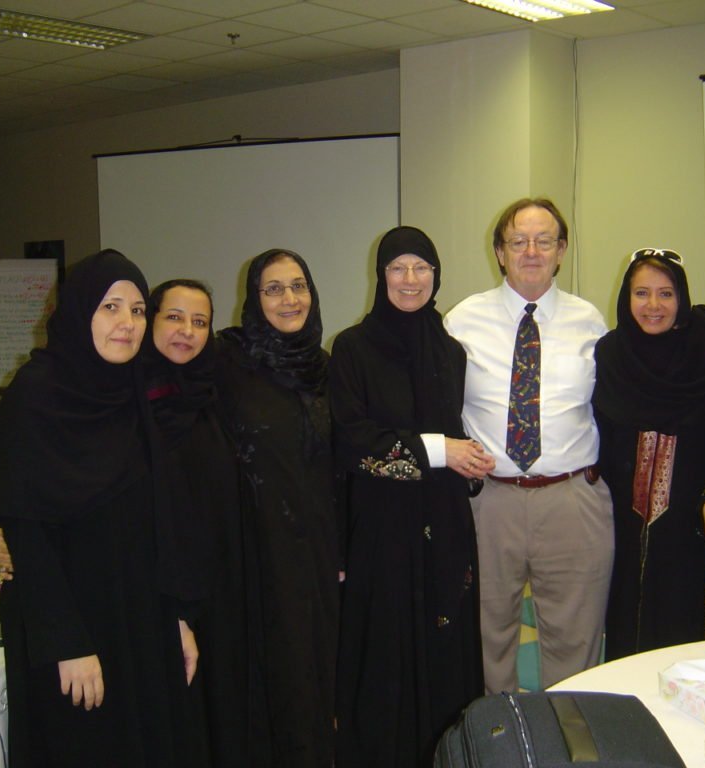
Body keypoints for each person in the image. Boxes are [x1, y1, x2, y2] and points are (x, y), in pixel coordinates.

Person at [0, 249, 202, 766]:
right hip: (70, 626)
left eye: (136, 310)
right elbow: (26, 529)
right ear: (80, 312)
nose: (127, 324)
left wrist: (175, 617)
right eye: (111, 308)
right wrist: (67, 643)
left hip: (138, 614)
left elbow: (156, 518)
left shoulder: (131, 394)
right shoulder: (35, 395)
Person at [331, 226, 489, 766]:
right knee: (388, 650)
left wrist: (471, 459)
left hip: (444, 524)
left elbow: (450, 428)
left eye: (421, 267)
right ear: (380, 276)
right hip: (384, 528)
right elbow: (354, 440)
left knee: (445, 644)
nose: (410, 279)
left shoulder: (449, 350)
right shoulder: (352, 348)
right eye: (397, 267)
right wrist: (443, 451)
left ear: (436, 275)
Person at [444, 198, 614, 693]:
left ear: (562, 250)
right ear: (499, 252)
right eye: (519, 241)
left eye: (544, 240)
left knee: (576, 641)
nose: (532, 251)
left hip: (571, 499)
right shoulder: (461, 321)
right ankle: (494, 743)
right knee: (483, 636)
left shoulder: (591, 322)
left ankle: (566, 745)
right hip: (487, 500)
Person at [216, 250, 339, 767]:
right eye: (273, 289)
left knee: (313, 673)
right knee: (266, 672)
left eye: (298, 286)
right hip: (252, 546)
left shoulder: (325, 367)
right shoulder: (226, 359)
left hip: (315, 549)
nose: (289, 299)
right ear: (253, 297)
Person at [593, 248, 705, 657]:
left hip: (688, 531)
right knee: (623, 631)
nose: (653, 306)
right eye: (641, 293)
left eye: (666, 294)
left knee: (681, 638)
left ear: (682, 298)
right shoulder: (611, 354)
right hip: (621, 525)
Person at [144, 279, 245, 767]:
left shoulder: (216, 393)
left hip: (219, 584)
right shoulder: (127, 399)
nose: (187, 331)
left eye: (200, 322)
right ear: (150, 320)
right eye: (174, 318)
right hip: (155, 586)